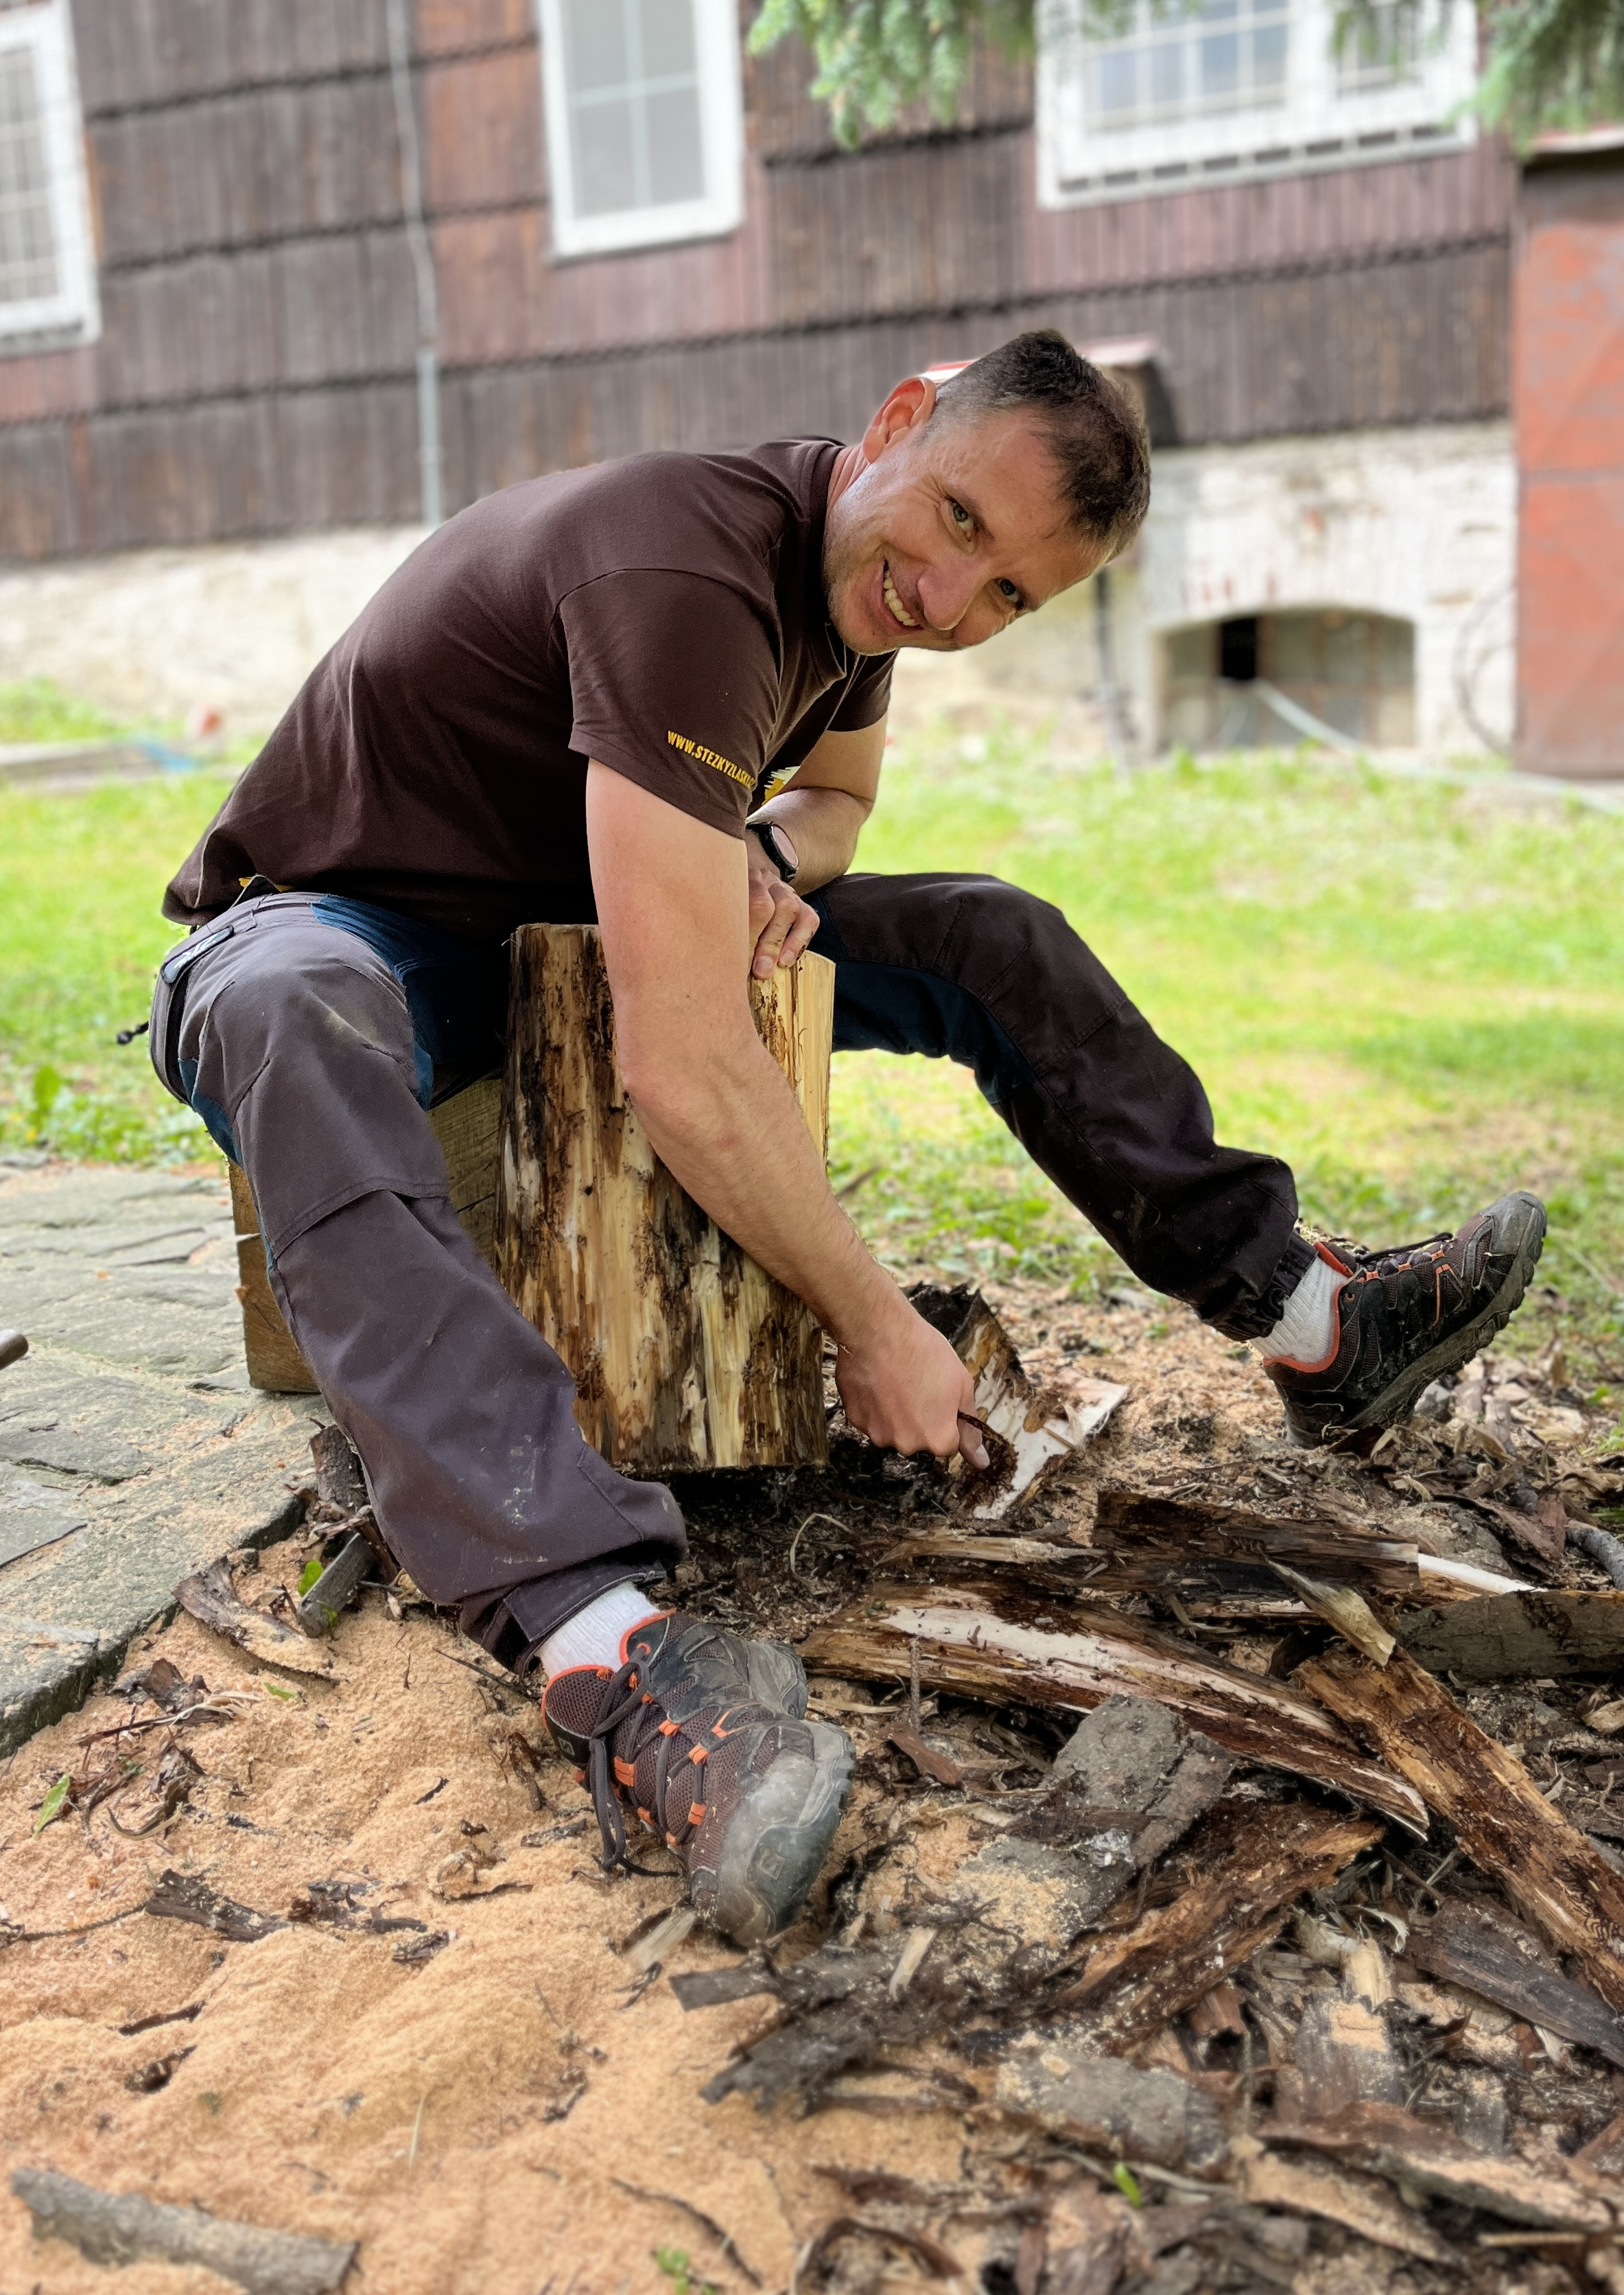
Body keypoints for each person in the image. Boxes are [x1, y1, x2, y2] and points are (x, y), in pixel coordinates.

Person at [148, 331, 1544, 1945]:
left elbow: (836, 806)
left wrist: (751, 856)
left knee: (985, 937)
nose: (953, 604)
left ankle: (1312, 1322)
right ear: (890, 428)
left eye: (1011, 596)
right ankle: (599, 1643)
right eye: (958, 523)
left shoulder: (854, 595)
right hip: (341, 933)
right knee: (293, 1011)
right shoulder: (686, 573)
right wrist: (873, 1331)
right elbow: (682, 1064)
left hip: (574, 922)